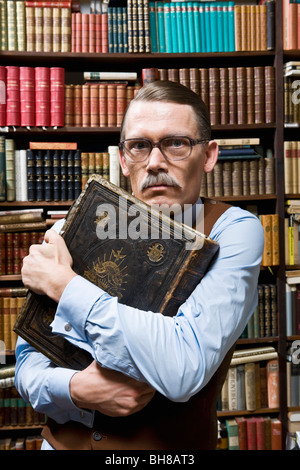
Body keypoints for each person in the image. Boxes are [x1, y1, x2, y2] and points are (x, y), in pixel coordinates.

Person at [15, 80, 264, 450]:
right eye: (139, 146)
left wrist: (63, 286)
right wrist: (73, 390)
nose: (155, 162)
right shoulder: (72, 228)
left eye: (176, 143)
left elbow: (182, 368)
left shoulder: (235, 232)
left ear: (209, 156)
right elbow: (27, 368)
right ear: (122, 159)